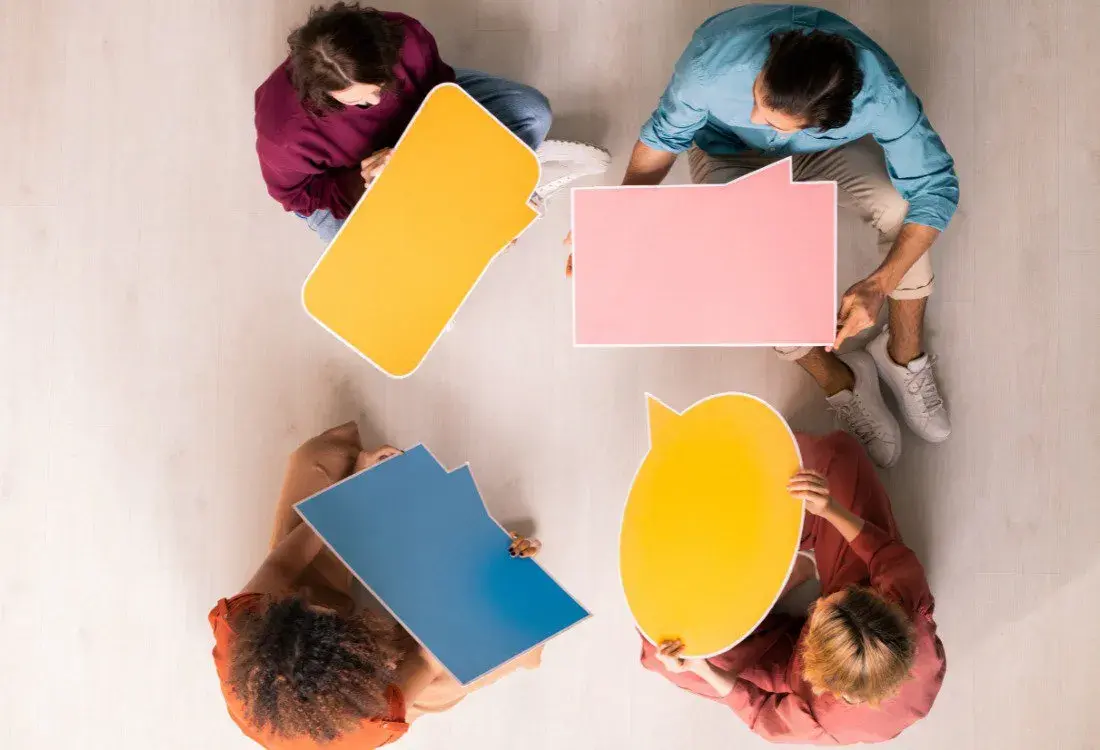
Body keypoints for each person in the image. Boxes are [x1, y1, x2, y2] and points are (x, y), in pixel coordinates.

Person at [571, 5, 958, 467]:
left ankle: (903, 352)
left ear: (830, 119)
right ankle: (838, 376)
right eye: (757, 97)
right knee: (743, 273)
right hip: (727, 156)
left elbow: (935, 189)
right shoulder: (710, 67)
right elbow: (663, 139)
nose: (755, 118)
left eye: (772, 119)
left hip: (820, 157)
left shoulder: (883, 97)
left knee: (900, 208)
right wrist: (617, 222)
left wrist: (880, 284)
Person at [209, 421, 543, 748]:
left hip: (290, 666)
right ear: (367, 666)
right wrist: (488, 571)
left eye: (305, 602)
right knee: (503, 635)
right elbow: (428, 660)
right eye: (340, 621)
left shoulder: (242, 620)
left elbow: (282, 564)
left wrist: (348, 494)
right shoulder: (374, 716)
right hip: (370, 703)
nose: (333, 605)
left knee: (320, 455)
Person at [640, 430, 946, 744]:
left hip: (791, 670)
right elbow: (881, 551)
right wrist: (829, 508)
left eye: (817, 610)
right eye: (834, 599)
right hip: (853, 632)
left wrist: (700, 667)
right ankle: (802, 570)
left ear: (819, 673)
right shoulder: (909, 598)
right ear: (881, 601)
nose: (817, 603)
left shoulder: (822, 717)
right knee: (838, 457)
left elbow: (760, 713)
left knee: (662, 647)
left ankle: (782, 591)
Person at [256, 2, 609, 245]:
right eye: (361, 101)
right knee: (371, 261)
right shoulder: (283, 132)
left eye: (382, 88)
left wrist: (426, 156)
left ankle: (493, 192)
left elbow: (442, 91)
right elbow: (296, 195)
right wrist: (361, 183)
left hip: (421, 130)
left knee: (533, 112)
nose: (377, 104)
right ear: (324, 95)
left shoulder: (405, 35)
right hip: (350, 182)